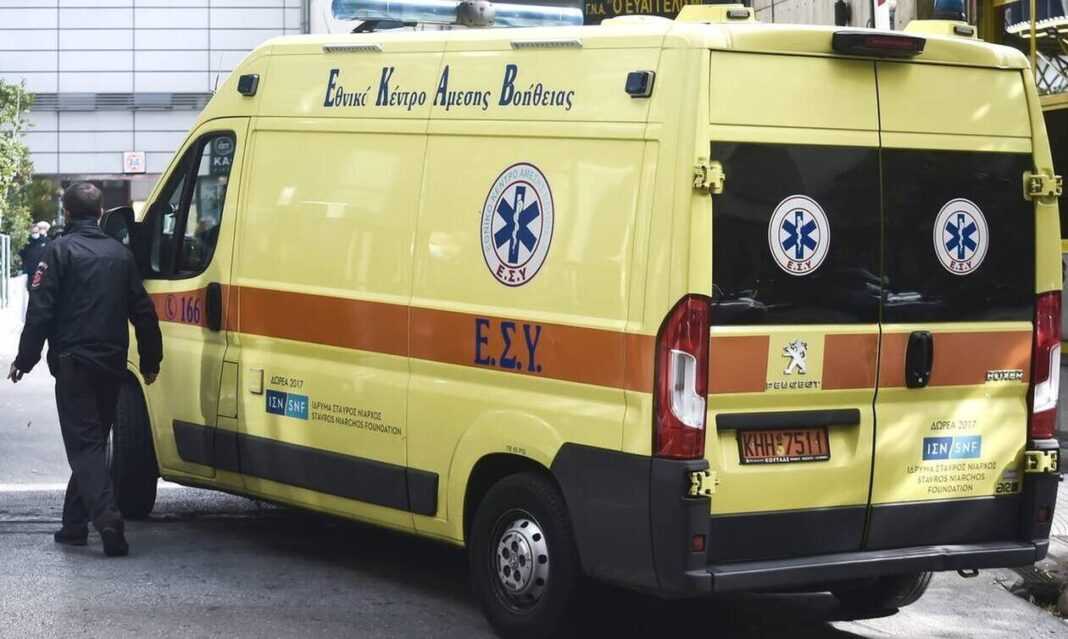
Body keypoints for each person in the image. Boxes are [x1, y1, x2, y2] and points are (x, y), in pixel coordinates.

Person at [7, 183, 163, 558]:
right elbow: (143, 311)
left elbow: (40, 312)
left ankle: (108, 519)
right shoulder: (120, 255)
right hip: (112, 364)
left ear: (66, 213)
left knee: (85, 446)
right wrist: (150, 360)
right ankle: (74, 525)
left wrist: (24, 360)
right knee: (92, 442)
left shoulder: (58, 251)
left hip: (74, 364)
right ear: (100, 213)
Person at [18, 222, 50, 321]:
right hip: (31, 273)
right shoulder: (28, 242)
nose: (35, 233)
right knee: (31, 294)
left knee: (39, 294)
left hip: (42, 273)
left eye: (36, 232)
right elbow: (22, 254)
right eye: (33, 232)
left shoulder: (47, 242)